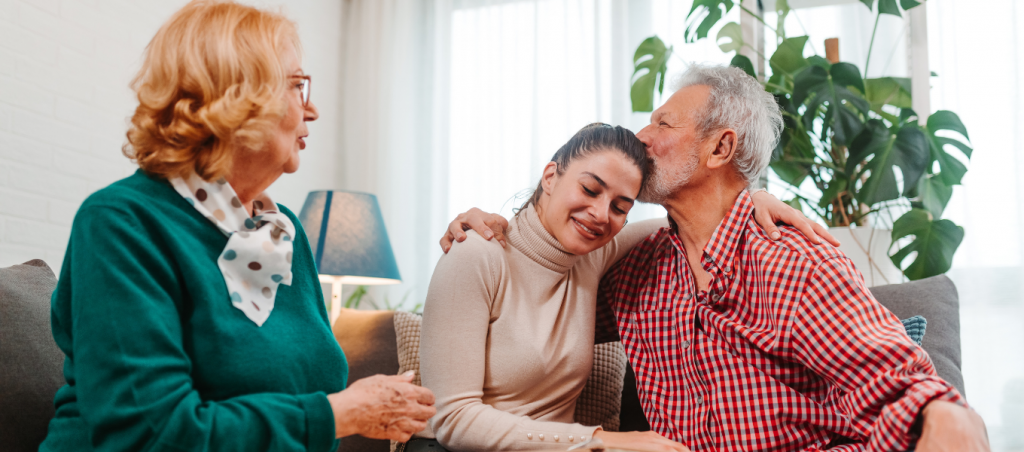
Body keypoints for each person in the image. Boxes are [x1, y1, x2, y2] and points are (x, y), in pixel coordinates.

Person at [40, 2, 434, 451]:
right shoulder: (122, 223)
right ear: (234, 97)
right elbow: (152, 434)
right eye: (297, 87)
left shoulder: (283, 233)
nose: (313, 110)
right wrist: (341, 413)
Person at [587, 65, 989, 451]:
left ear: (720, 147)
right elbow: (543, 299)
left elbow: (897, 382)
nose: (641, 136)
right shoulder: (636, 275)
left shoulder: (795, 264)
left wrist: (950, 419)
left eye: (663, 124)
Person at [423, 124, 835, 452]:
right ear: (551, 176)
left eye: (621, 206)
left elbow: (698, 220)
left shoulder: (592, 255)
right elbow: (453, 419)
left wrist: (755, 198)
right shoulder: (476, 254)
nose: (601, 214)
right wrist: (605, 441)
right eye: (589, 188)